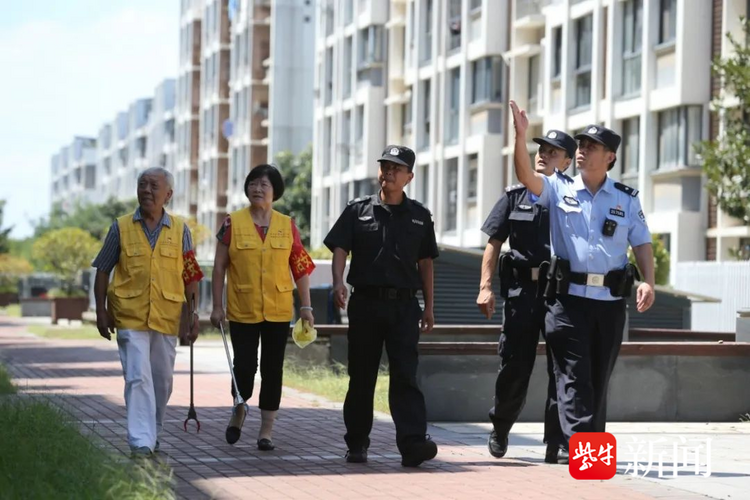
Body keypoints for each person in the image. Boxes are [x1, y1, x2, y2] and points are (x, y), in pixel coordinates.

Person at [509, 101, 655, 447]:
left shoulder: (626, 199)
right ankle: (584, 452)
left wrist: (649, 280)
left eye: (591, 147)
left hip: (609, 303)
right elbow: (526, 176)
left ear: (610, 158)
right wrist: (520, 137)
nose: (582, 151)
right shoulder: (558, 188)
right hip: (567, 301)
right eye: (581, 145)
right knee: (575, 377)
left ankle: (586, 450)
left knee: (598, 379)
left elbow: (642, 242)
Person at [324, 145, 439, 468]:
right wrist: (337, 282)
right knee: (362, 376)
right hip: (366, 304)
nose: (388, 172)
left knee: (406, 376)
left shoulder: (419, 216)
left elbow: (426, 262)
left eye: (396, 168)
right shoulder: (357, 210)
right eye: (385, 166)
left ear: (409, 177)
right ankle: (357, 443)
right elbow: (340, 249)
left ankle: (413, 444)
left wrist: (429, 306)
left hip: (404, 307)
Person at [476, 128, 576, 464]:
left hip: (561, 294)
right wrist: (485, 286)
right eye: (541, 148)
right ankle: (501, 427)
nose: (543, 154)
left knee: (561, 369)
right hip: (522, 293)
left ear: (567, 160)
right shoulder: (514, 195)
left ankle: (557, 443)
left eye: (553, 151)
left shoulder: (573, 197)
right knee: (515, 365)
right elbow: (494, 241)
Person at [93, 166, 203, 459]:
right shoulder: (121, 227)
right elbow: (103, 269)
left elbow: (191, 276)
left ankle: (153, 430)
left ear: (168, 194)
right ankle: (141, 440)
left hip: (166, 317)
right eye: (142, 185)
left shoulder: (181, 230)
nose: (146, 191)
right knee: (137, 376)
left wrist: (193, 316)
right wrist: (100, 311)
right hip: (129, 314)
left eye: (154, 186)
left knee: (161, 380)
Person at [210, 164, 315, 451]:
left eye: (264, 185)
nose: (257, 189)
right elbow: (219, 267)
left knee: (273, 370)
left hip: (279, 309)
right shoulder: (232, 223)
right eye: (253, 183)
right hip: (242, 307)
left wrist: (306, 307)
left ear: (274, 192)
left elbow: (301, 268)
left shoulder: (287, 224)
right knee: (244, 366)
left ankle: (266, 430)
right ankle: (240, 407)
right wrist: (216, 306)